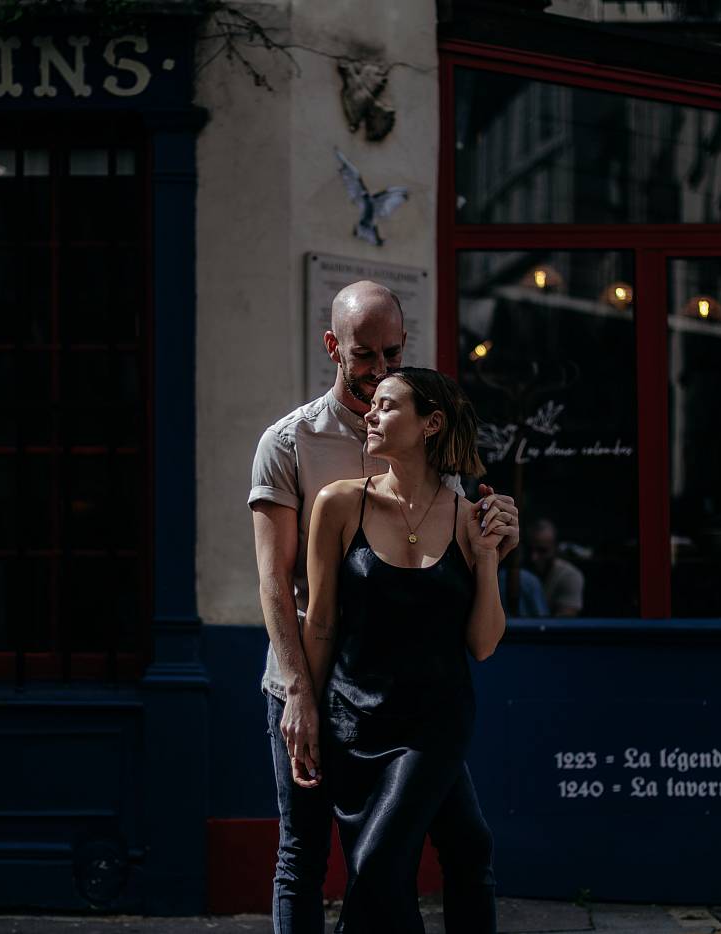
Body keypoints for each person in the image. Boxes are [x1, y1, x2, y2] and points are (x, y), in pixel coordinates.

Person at [250, 280, 518, 933]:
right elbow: (278, 584)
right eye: (364, 356)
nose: (378, 374)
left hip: (416, 691)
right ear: (333, 347)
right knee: (304, 852)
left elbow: (453, 573)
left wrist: (492, 551)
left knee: (459, 843)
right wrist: (300, 698)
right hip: (318, 678)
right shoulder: (291, 443)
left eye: (391, 356)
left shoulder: (431, 449)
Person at [294, 368, 508, 933]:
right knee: (466, 844)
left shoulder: (469, 520)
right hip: (354, 720)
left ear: (430, 423)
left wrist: (487, 562)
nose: (369, 413)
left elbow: (483, 646)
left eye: (387, 406)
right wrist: (307, 710)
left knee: (377, 861)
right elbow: (320, 623)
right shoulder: (340, 504)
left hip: (434, 723)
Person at [526, 519, 584, 617]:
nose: (534, 557)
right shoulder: (520, 572)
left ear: (555, 548)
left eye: (542, 550)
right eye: (530, 549)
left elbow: (564, 622)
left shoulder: (569, 576)